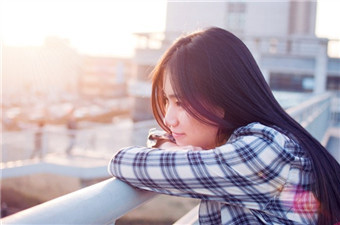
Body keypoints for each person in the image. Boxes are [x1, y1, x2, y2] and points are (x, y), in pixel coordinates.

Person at [108, 27, 340, 224]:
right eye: (167, 100)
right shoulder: (260, 143)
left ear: (223, 97)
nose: (169, 119)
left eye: (180, 102)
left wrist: (166, 147)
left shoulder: (263, 150)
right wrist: (166, 145)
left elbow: (123, 161)